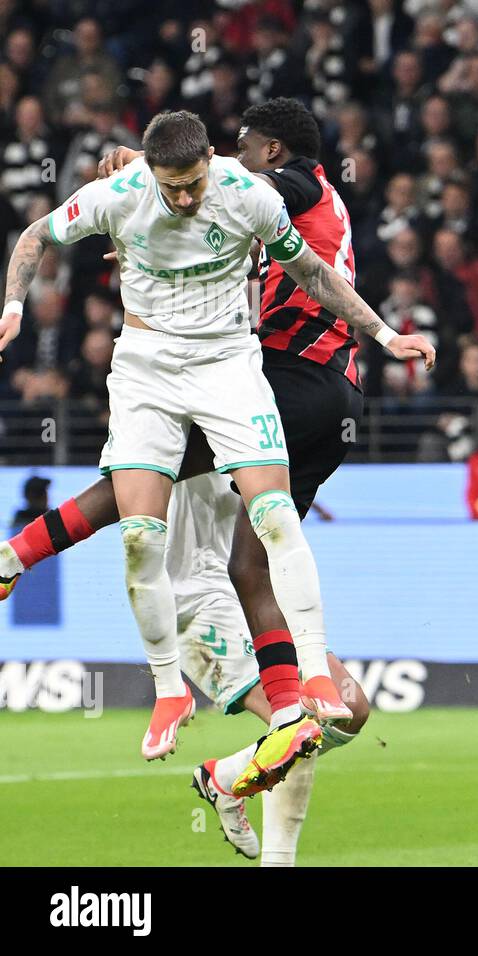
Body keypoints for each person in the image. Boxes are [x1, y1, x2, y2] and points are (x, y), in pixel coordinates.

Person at [0, 109, 432, 785]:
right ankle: (284, 715)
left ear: (266, 151)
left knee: (166, 491)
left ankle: (20, 553)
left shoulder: (275, 185)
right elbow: (66, 227)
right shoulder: (258, 194)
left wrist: (386, 335)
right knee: (247, 562)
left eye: (237, 155)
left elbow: (295, 255)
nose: (185, 198)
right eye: (169, 187)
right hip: (326, 388)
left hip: (285, 372)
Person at [173, 473, 369, 865]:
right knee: (298, 723)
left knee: (351, 710)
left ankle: (225, 777)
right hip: (200, 598)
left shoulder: (261, 426)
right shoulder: (178, 426)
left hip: (255, 590)